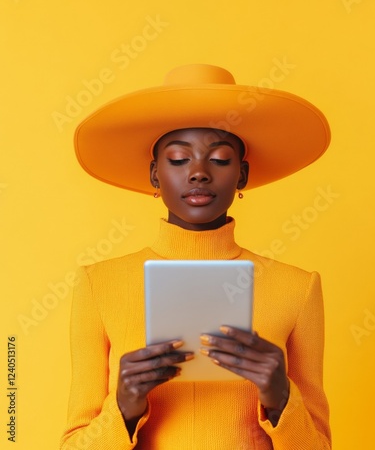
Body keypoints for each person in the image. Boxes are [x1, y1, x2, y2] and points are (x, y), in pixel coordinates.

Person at [61, 64, 332, 449]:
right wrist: (122, 408)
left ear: (242, 176)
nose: (199, 173)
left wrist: (280, 397)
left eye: (220, 159)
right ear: (155, 175)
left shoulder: (298, 287)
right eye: (178, 159)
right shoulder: (98, 283)